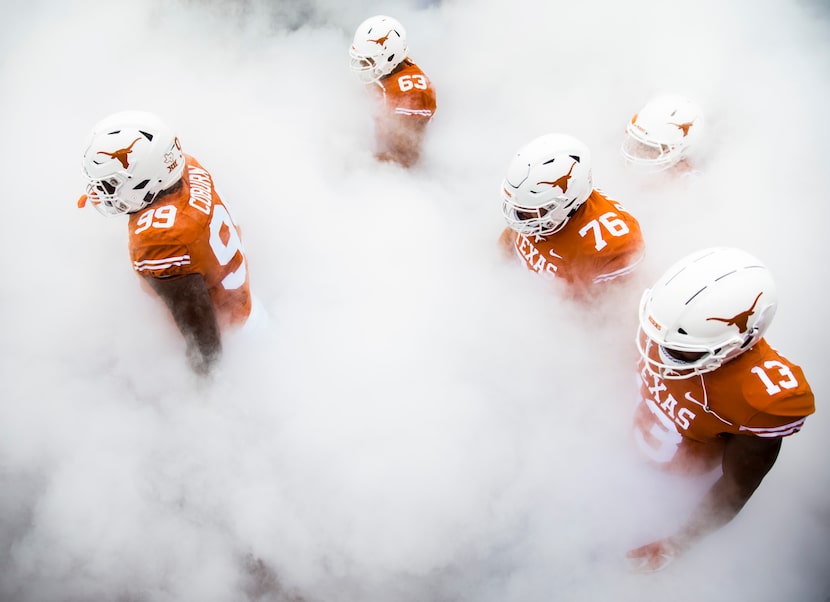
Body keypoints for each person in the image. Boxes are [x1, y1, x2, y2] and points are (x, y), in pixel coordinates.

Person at [628, 246, 815, 572]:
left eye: (679, 351)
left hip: (682, 476)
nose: (659, 354)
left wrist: (679, 543)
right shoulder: (668, 319)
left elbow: (737, 484)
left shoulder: (760, 400)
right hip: (641, 437)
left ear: (737, 344)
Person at [77, 110, 253, 376]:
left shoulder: (161, 242)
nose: (101, 193)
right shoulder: (184, 167)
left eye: (111, 184)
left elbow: (204, 343)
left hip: (231, 329)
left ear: (145, 181)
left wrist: (206, 389)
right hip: (230, 287)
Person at [498, 133, 645, 299]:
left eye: (528, 211)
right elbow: (512, 236)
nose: (521, 218)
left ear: (566, 202)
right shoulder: (533, 212)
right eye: (518, 209)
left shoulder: (612, 245)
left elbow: (607, 313)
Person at [349, 15, 437, 167]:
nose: (363, 64)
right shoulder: (387, 70)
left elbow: (407, 158)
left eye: (368, 59)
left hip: (408, 173)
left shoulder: (412, 94)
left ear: (389, 57)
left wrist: (361, 161)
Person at [620, 94, 704, 175]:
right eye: (639, 142)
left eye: (652, 149)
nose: (638, 152)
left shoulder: (689, 184)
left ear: (683, 149)